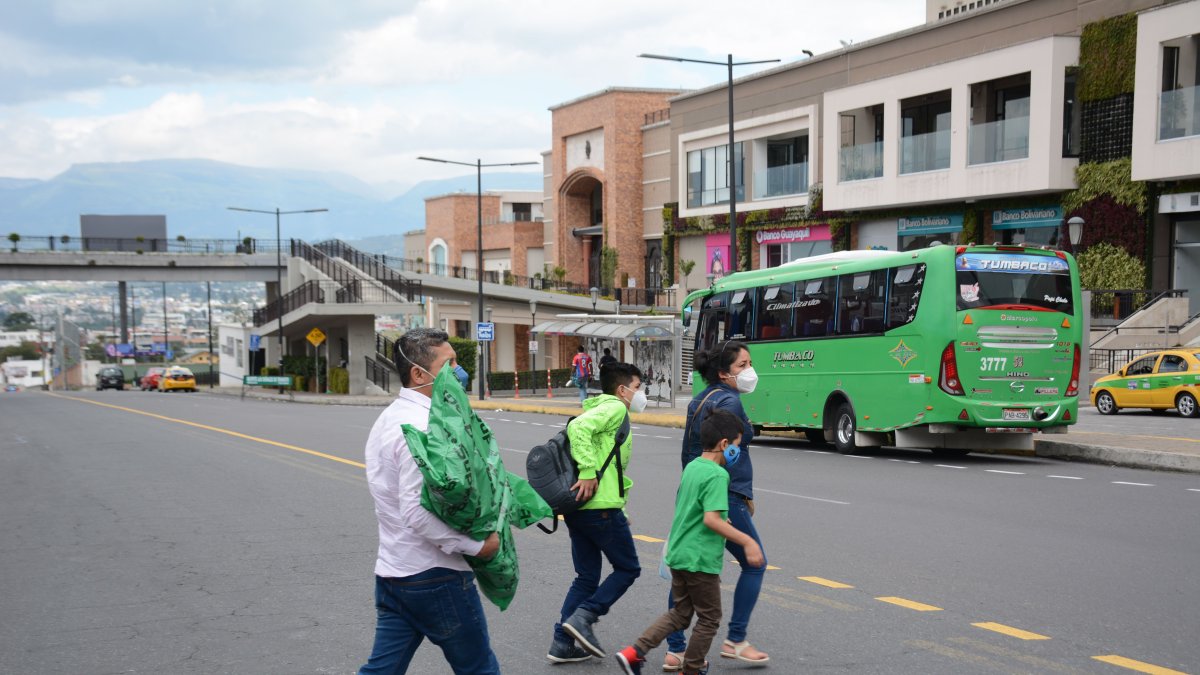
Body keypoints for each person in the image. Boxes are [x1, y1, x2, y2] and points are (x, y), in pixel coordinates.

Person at [359, 328, 503, 674]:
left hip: (395, 574)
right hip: (435, 576)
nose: (458, 372)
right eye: (449, 364)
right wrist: (475, 546)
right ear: (419, 374)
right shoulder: (423, 426)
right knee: (479, 668)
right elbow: (415, 511)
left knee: (382, 670)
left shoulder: (390, 418)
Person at [614, 411, 764, 675]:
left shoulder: (694, 466)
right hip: (699, 560)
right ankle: (692, 669)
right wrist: (747, 541)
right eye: (737, 446)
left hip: (680, 554)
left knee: (680, 615)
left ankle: (634, 653)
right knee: (709, 618)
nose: (737, 453)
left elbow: (695, 510)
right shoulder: (718, 475)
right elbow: (710, 520)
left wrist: (722, 521)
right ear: (724, 445)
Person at [662, 340, 769, 671]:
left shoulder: (701, 397)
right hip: (721, 492)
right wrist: (740, 494)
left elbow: (692, 450)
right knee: (755, 562)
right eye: (742, 365)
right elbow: (730, 451)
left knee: (687, 569)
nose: (749, 371)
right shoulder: (729, 403)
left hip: (693, 488)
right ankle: (736, 640)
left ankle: (676, 648)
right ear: (725, 373)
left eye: (750, 363)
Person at [548, 361, 646, 663]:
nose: (641, 394)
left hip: (581, 507)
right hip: (598, 509)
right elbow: (577, 428)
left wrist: (622, 503)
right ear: (622, 390)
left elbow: (613, 466)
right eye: (638, 387)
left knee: (587, 577)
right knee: (628, 568)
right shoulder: (616, 409)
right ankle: (585, 616)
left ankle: (562, 644)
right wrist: (589, 471)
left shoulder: (600, 408)